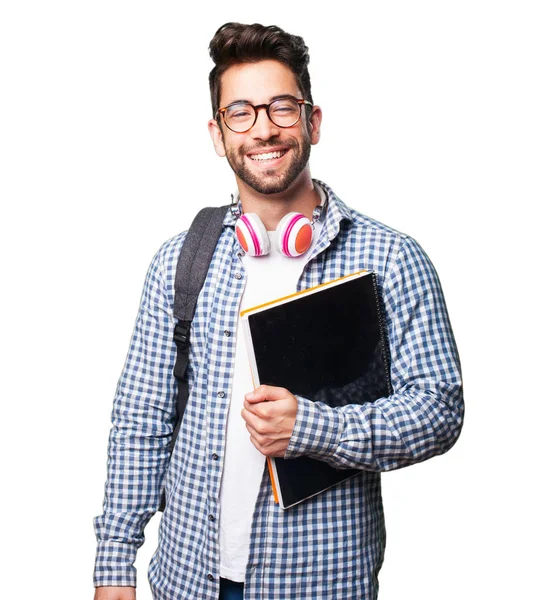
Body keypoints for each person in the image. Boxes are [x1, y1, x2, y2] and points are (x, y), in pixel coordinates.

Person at [93, 22, 464, 600]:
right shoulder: (180, 261)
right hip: (187, 581)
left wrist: (315, 428)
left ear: (312, 121)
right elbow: (142, 420)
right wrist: (114, 561)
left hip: (319, 585)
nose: (263, 127)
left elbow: (439, 410)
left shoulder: (390, 259)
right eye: (240, 112)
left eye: (282, 107)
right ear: (219, 134)